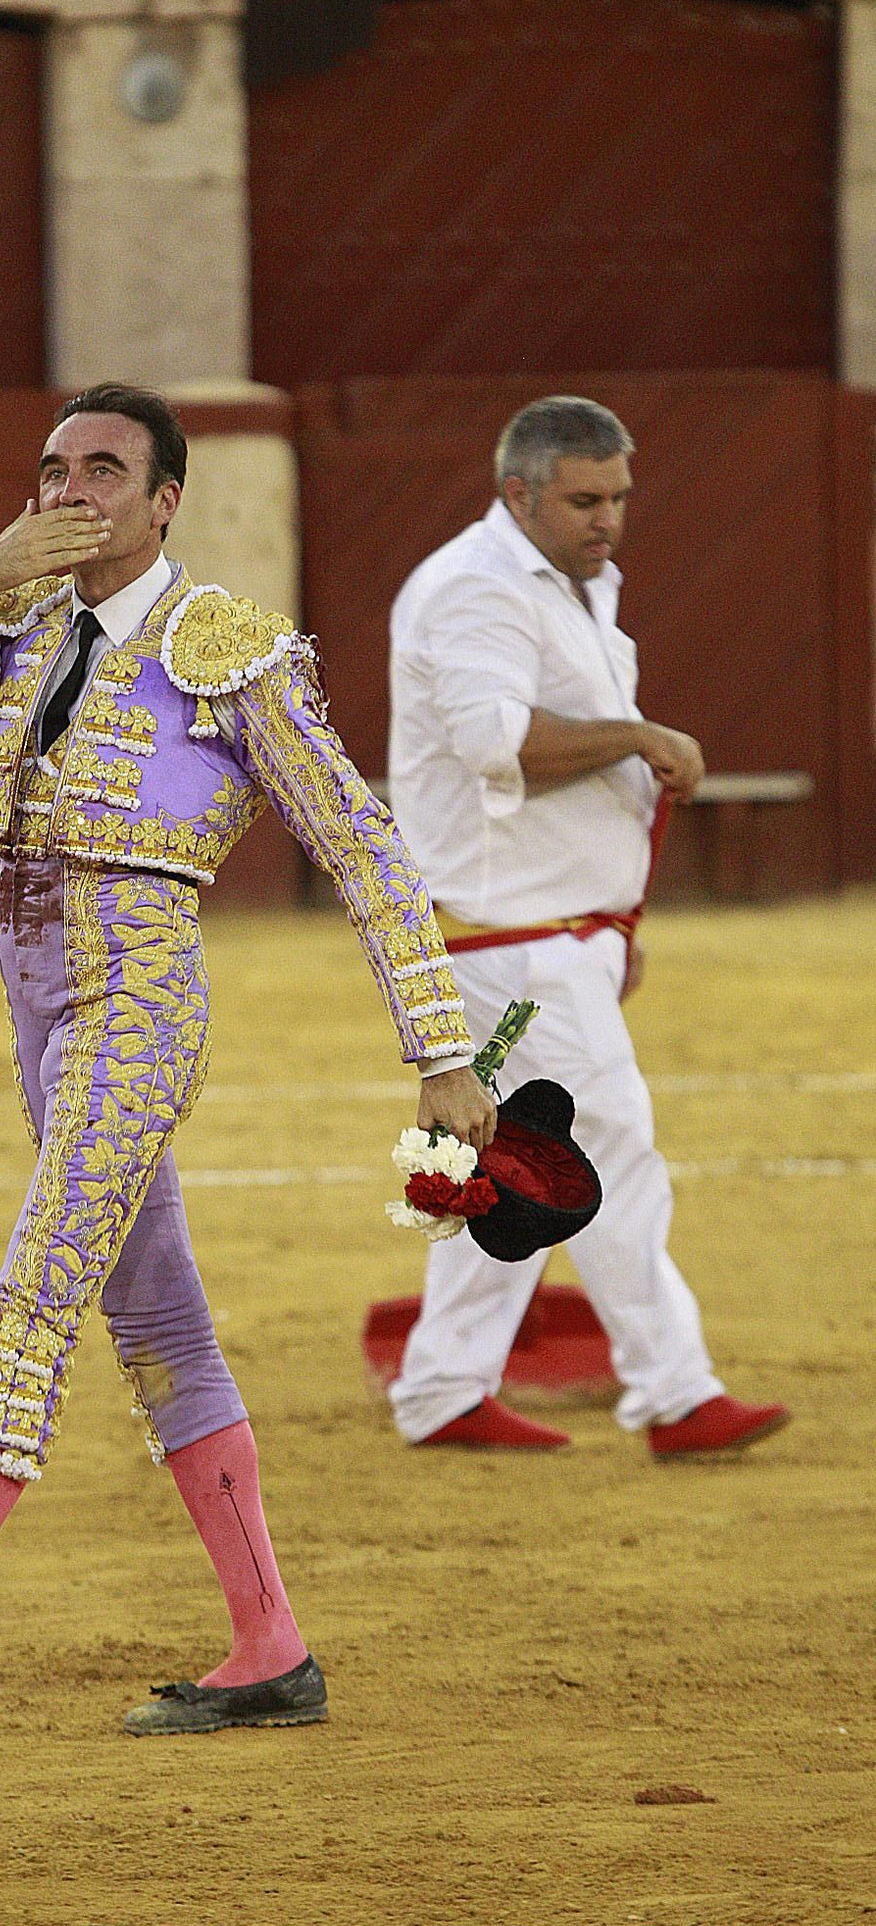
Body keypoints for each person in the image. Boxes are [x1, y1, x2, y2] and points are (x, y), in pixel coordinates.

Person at [0, 382, 490, 1736]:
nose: (68, 491)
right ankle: (269, 1646)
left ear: (166, 502)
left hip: (134, 1008)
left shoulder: (234, 651)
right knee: (159, 1326)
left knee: (36, 1292)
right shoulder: (15, 625)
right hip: (37, 1013)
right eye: (50, 469)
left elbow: (365, 850)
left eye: (102, 470)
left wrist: (439, 1048)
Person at [385, 396, 789, 1459]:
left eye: (616, 497)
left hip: (545, 933)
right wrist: (638, 734)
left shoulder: (576, 583)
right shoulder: (474, 589)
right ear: (517, 491)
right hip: (503, 941)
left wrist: (608, 925)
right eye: (582, 499)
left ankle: (440, 1388)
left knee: (515, 1152)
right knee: (607, 1147)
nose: (606, 518)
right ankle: (674, 1391)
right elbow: (495, 744)